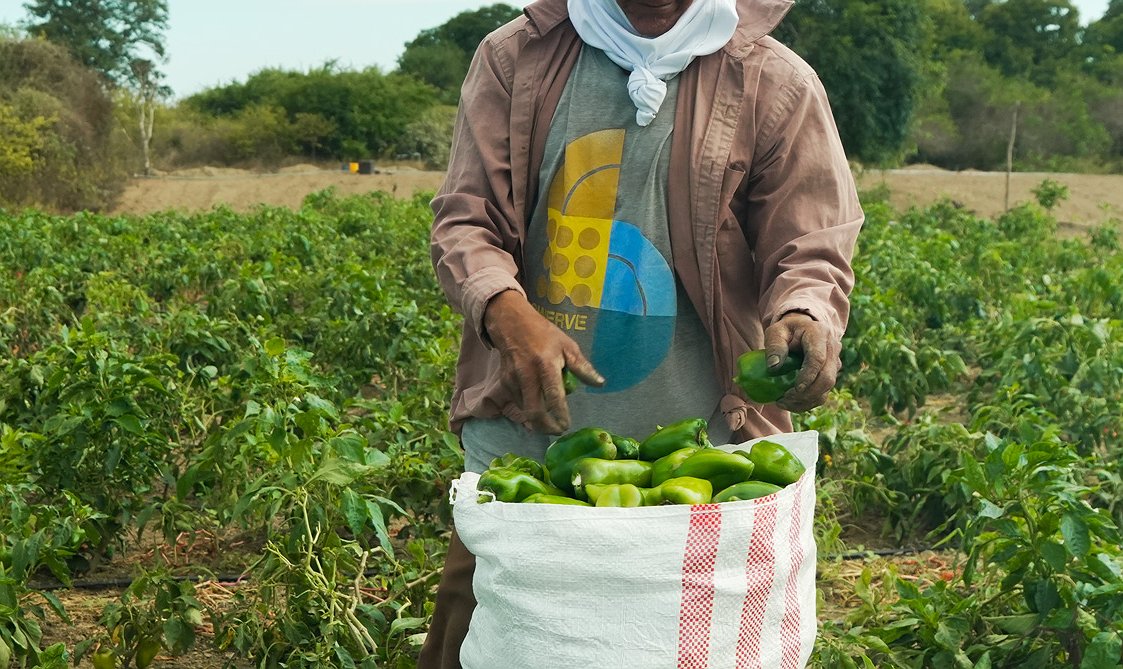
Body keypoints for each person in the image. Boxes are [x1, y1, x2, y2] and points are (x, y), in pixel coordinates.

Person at [420, 0, 863, 665]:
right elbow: (465, 220)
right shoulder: (516, 59)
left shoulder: (773, 80)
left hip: (697, 456)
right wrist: (506, 311)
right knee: (486, 626)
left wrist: (803, 312)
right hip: (527, 436)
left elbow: (811, 242)